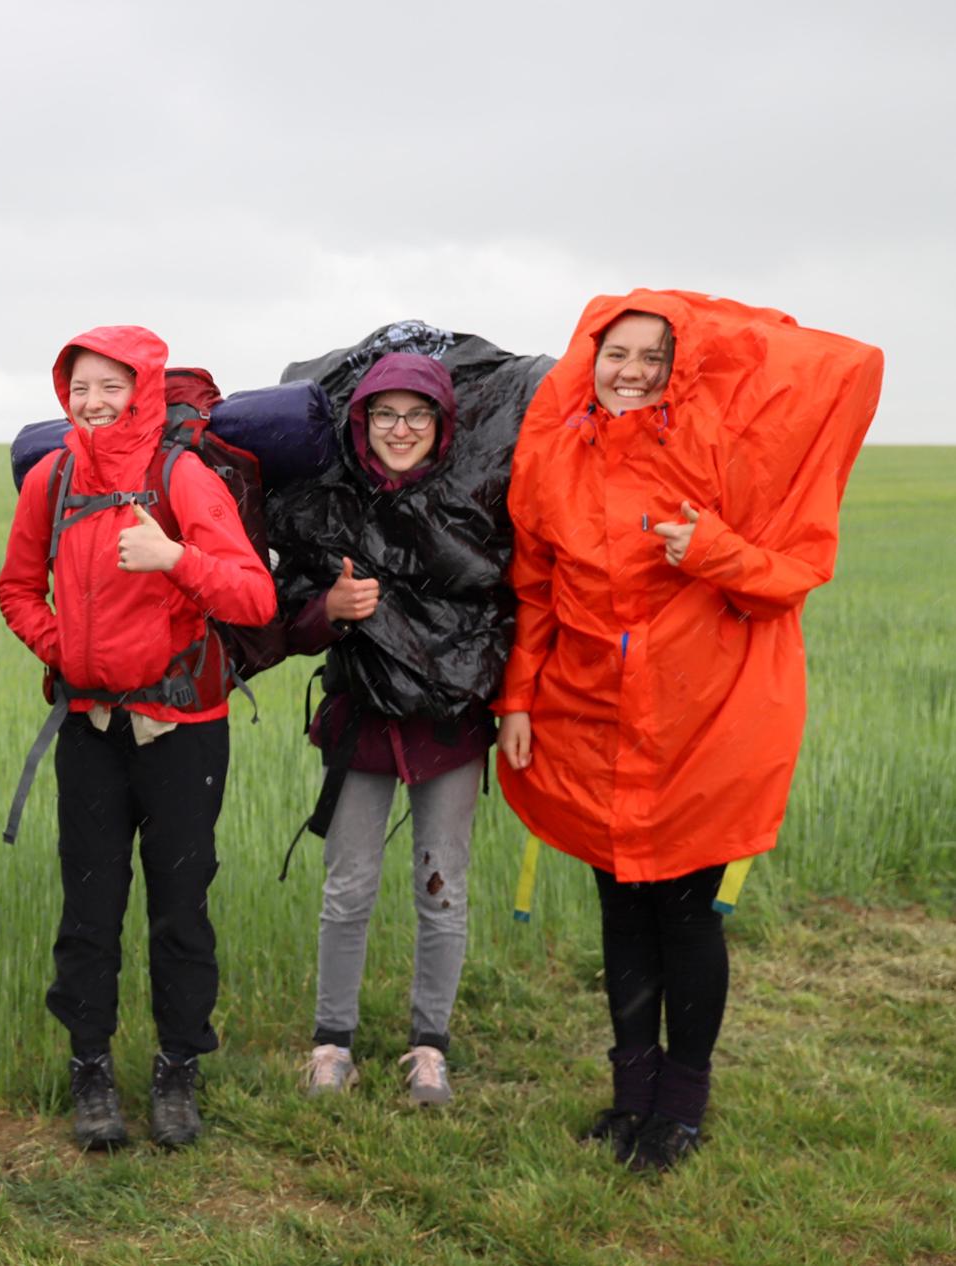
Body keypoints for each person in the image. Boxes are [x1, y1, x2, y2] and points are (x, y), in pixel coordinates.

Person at [497, 291, 881, 1173]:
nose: (629, 372)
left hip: (705, 717)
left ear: (682, 369)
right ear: (586, 358)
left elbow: (794, 575)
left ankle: (682, 1106)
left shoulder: (725, 453)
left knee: (682, 913)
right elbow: (535, 586)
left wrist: (709, 547)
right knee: (619, 907)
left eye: (652, 358)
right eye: (615, 352)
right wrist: (518, 700)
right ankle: (632, 1094)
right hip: (589, 712)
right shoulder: (555, 455)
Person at [0, 326, 275, 1150]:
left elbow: (253, 597)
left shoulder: (180, 477)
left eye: (110, 386)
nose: (92, 403)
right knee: (90, 906)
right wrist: (68, 654)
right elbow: (17, 589)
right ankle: (90, 1069)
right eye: (80, 387)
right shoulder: (52, 477)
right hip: (89, 727)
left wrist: (173, 556)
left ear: (143, 390)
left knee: (181, 908)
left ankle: (177, 1070)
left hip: (183, 731)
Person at [271, 352, 510, 1106]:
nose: (399, 429)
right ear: (360, 422)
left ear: (441, 425)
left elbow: (500, 610)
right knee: (348, 889)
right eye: (384, 415)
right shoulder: (330, 506)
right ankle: (331, 1043)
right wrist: (329, 612)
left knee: (443, 891)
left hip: (449, 732)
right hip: (359, 728)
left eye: (416, 415)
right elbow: (289, 625)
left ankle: (428, 1048)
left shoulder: (472, 505)